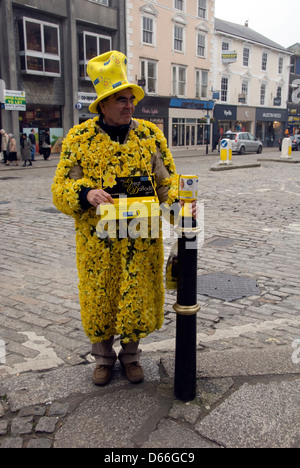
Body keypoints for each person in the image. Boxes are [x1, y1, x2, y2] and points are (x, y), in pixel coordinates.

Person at [52, 50, 196, 387]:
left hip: (142, 237)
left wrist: (179, 206)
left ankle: (131, 357)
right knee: (101, 297)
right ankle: (103, 359)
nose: (129, 104)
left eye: (131, 98)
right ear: (103, 105)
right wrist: (85, 193)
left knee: (137, 297)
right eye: (121, 99)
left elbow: (166, 182)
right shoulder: (79, 140)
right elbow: (60, 189)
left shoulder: (150, 137)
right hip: (98, 243)